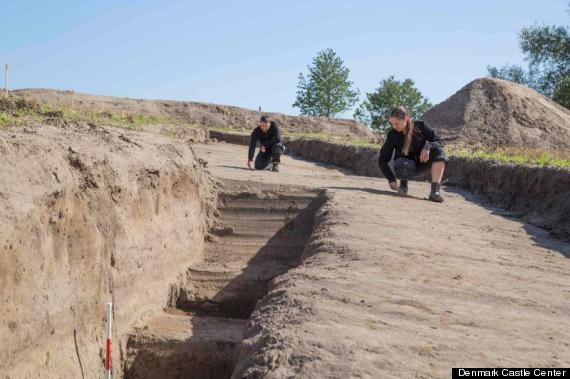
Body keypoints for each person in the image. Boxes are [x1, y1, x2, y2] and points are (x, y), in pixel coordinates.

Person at [378, 106, 449, 202]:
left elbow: (440, 141)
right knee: (402, 162)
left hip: (422, 163)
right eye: (392, 123)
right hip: (403, 166)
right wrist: (391, 179)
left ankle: (434, 192)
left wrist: (427, 146)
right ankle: (403, 184)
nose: (394, 126)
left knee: (439, 152)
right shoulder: (392, 135)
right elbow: (382, 159)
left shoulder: (421, 126)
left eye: (397, 123)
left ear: (406, 119)